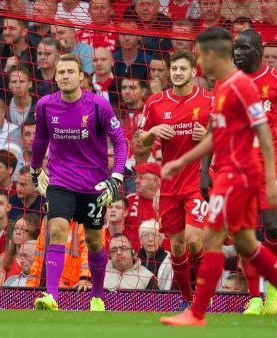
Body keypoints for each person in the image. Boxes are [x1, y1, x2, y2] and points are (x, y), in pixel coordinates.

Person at [160, 27, 277, 329]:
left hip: (241, 173)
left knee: (215, 238)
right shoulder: (224, 86)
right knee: (244, 243)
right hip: (228, 170)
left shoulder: (242, 86)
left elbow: (266, 135)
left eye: (203, 55)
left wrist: (270, 179)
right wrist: (187, 163)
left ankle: (197, 312)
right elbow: (216, 134)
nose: (200, 62)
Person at [31, 53, 128, 312]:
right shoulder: (44, 106)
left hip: (94, 185)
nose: (65, 76)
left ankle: (97, 296)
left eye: (70, 72)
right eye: (61, 72)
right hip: (61, 181)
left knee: (95, 241)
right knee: (58, 230)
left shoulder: (98, 106)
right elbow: (40, 140)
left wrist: (116, 175)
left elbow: (120, 141)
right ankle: (51, 296)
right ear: (55, 77)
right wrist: (34, 169)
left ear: (81, 77)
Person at [228, 28, 277, 316]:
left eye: (243, 48)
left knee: (273, 226)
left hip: (270, 164)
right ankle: (254, 298)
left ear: (258, 50)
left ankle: (272, 284)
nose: (237, 53)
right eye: (235, 48)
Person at [139, 50, 212, 310]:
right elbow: (140, 139)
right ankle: (186, 299)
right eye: (174, 69)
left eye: (183, 69)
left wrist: (207, 136)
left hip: (198, 183)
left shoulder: (209, 101)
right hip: (169, 185)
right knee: (178, 247)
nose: (178, 73)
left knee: (194, 239)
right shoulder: (156, 103)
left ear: (194, 72)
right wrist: (153, 131)